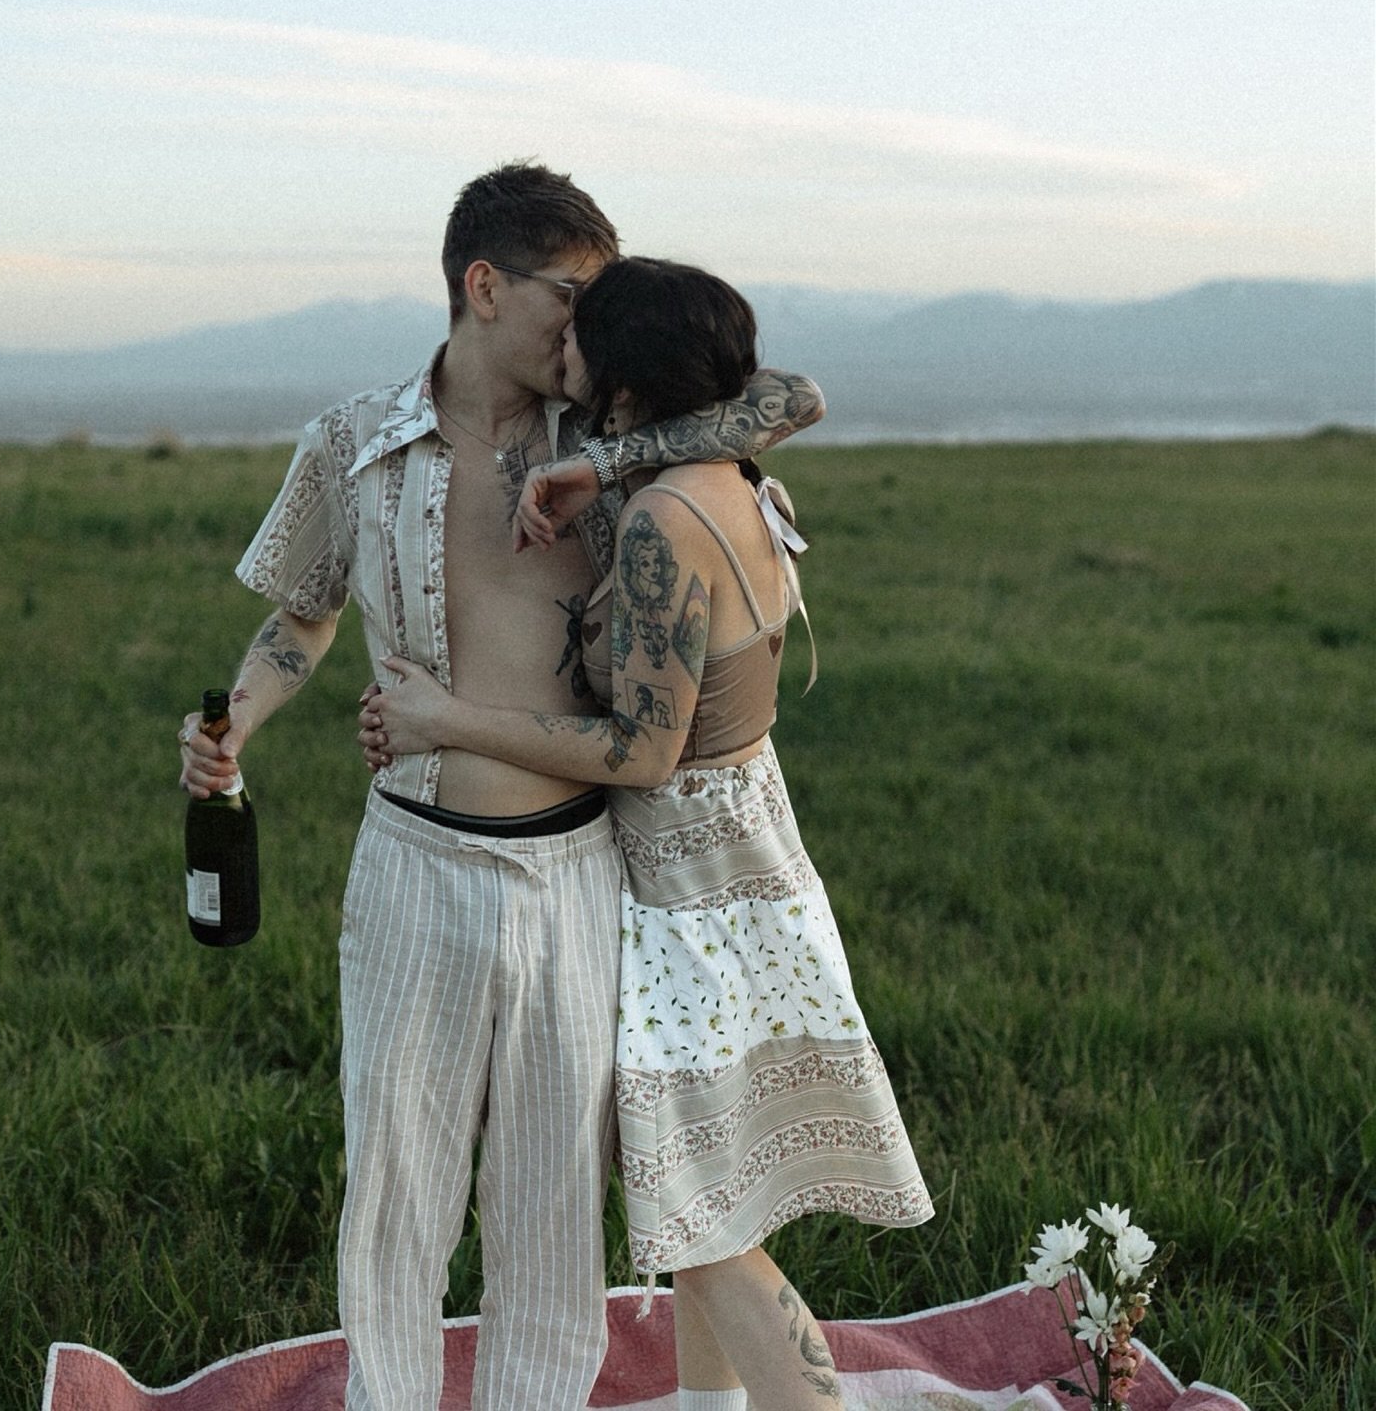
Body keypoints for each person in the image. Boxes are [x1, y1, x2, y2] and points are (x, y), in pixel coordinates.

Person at [176, 165, 826, 1411]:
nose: (585, 327)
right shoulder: (351, 443)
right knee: (398, 1194)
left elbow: (788, 401)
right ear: (485, 287)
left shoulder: (613, 443)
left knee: (548, 1208)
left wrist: (616, 457)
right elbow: (299, 620)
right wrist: (236, 727)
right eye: (569, 296)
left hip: (576, 868)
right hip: (414, 863)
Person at [359, 257, 934, 1411]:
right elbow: (795, 396)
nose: (561, 347)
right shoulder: (718, 468)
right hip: (744, 858)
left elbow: (642, 753)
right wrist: (604, 460)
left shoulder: (670, 523)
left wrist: (443, 716)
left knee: (701, 1207)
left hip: (690, 891)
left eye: (583, 337)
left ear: (620, 372)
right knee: (710, 1185)